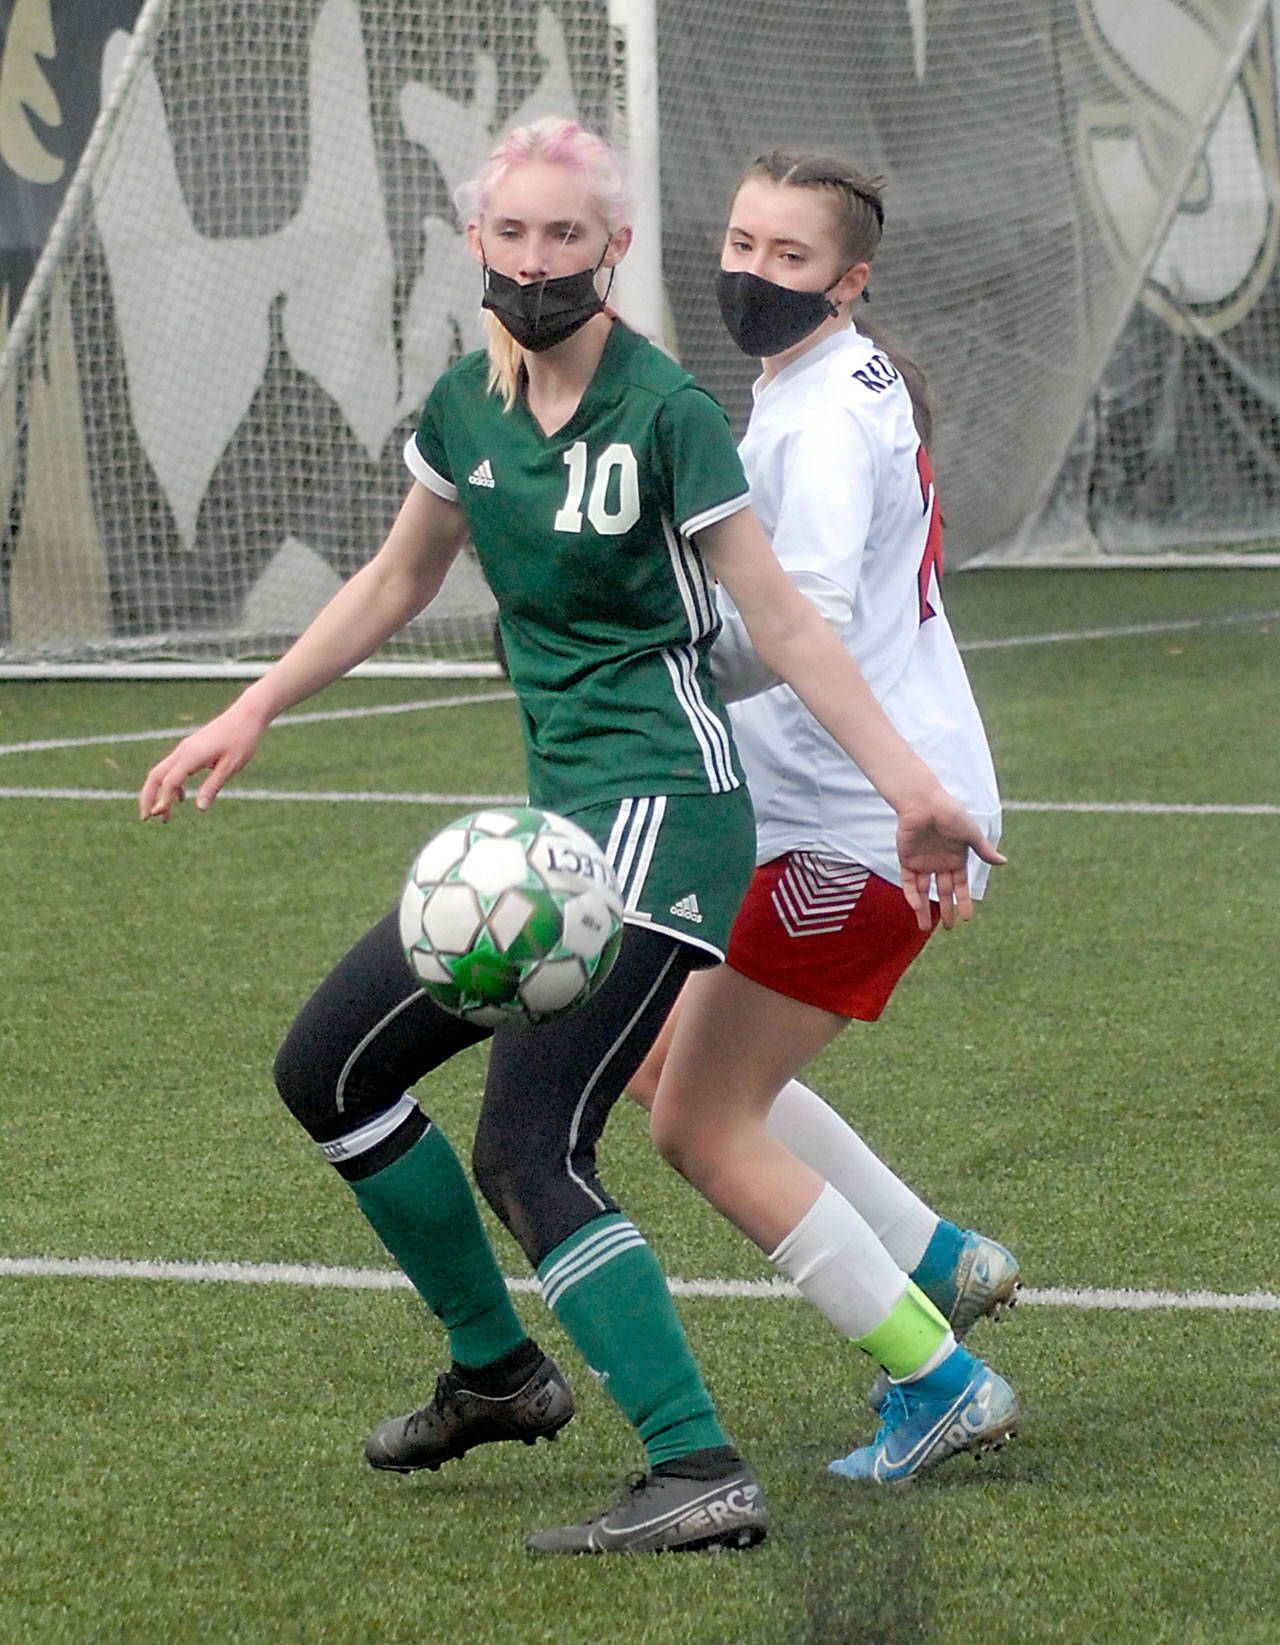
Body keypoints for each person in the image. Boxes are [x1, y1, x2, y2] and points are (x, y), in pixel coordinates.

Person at [138, 119, 1000, 1552]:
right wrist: (253, 708)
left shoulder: (665, 410)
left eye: (567, 237)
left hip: (669, 816)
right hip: (561, 824)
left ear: (610, 248)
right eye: (514, 235)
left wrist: (910, 786)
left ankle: (697, 1465)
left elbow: (787, 618)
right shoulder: (468, 409)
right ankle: (498, 1367)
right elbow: (398, 576)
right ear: (475, 241)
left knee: (538, 1145)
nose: (538, 261)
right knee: (331, 1070)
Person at [630, 152, 1020, 1484]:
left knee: (696, 1118)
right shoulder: (829, 382)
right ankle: (932, 1257)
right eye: (740, 243)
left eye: (787, 257)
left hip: (861, 828)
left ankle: (939, 1373)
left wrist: (666, 647)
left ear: (849, 280)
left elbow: (816, 623)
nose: (750, 273)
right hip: (822, 808)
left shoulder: (820, 420)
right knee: (661, 1056)